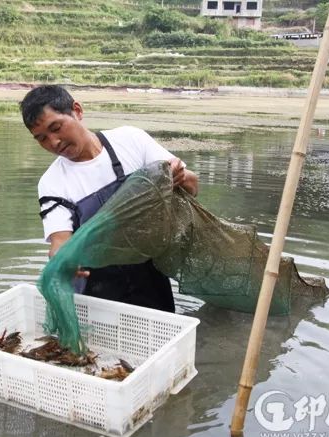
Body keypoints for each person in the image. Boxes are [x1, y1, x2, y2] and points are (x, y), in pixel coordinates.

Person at [20, 85, 199, 313]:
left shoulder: (130, 140)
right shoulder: (52, 182)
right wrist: (61, 260)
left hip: (150, 276)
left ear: (77, 111)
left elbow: (193, 187)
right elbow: (59, 240)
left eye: (56, 128)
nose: (53, 142)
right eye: (42, 138)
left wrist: (181, 177)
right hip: (97, 290)